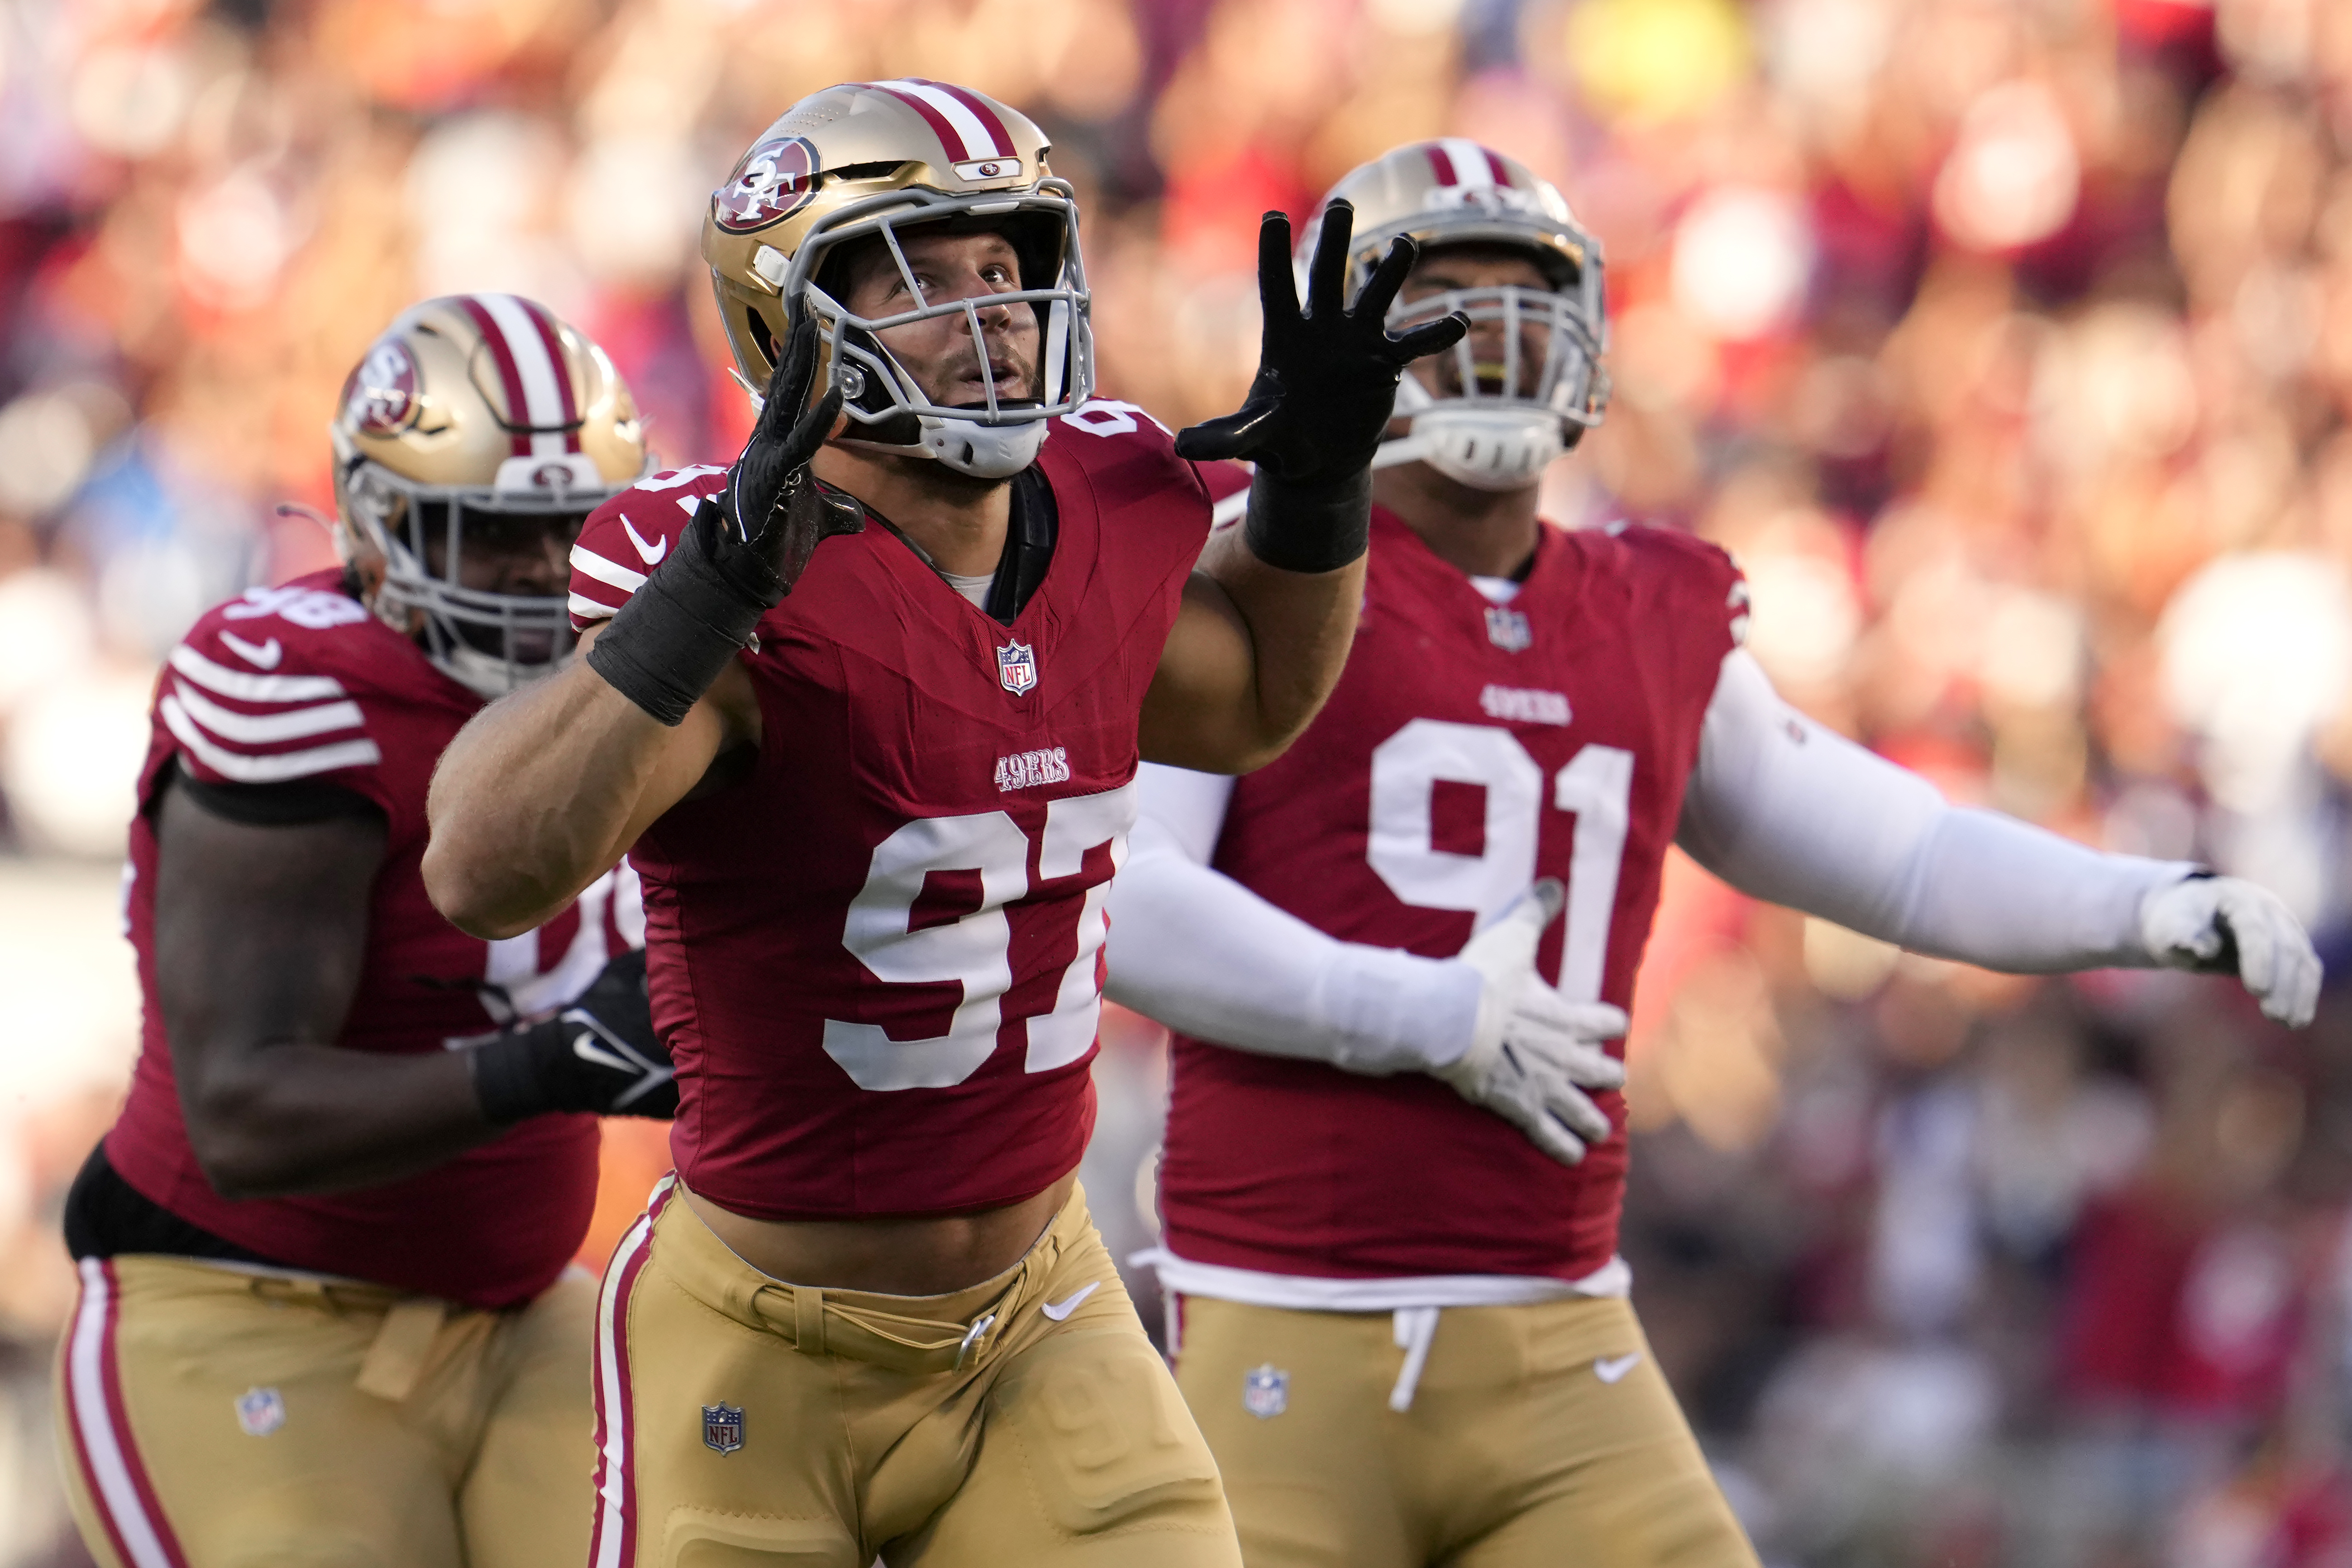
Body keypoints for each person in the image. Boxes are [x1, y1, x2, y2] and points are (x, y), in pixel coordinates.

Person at [1103, 140, 2326, 1568]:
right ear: (1347, 329)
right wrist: (1413, 1011)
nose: (1492, 330)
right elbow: (1122, 898)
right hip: (1284, 1321)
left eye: (1523, 294)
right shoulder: (1252, 574)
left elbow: (1900, 855)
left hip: (1562, 1340)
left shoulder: (1643, 603)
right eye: (1445, 293)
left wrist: (2150, 901)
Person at [419, 80, 1464, 1567]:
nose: (993, 312)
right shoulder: (724, 571)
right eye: (923, 275)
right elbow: (480, 866)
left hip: (1043, 1307)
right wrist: (707, 598)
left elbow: (1247, 708)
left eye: (1009, 264)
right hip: (759, 1338)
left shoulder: (1108, 498)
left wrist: (1316, 489)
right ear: (794, 327)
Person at [54, 295, 680, 1568]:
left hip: (524, 1309)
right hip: (244, 1306)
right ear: (382, 525)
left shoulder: (656, 673)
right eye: (492, 536)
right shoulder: (298, 687)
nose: (547, 571)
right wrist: (561, 1063)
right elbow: (244, 1112)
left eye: (575, 527)